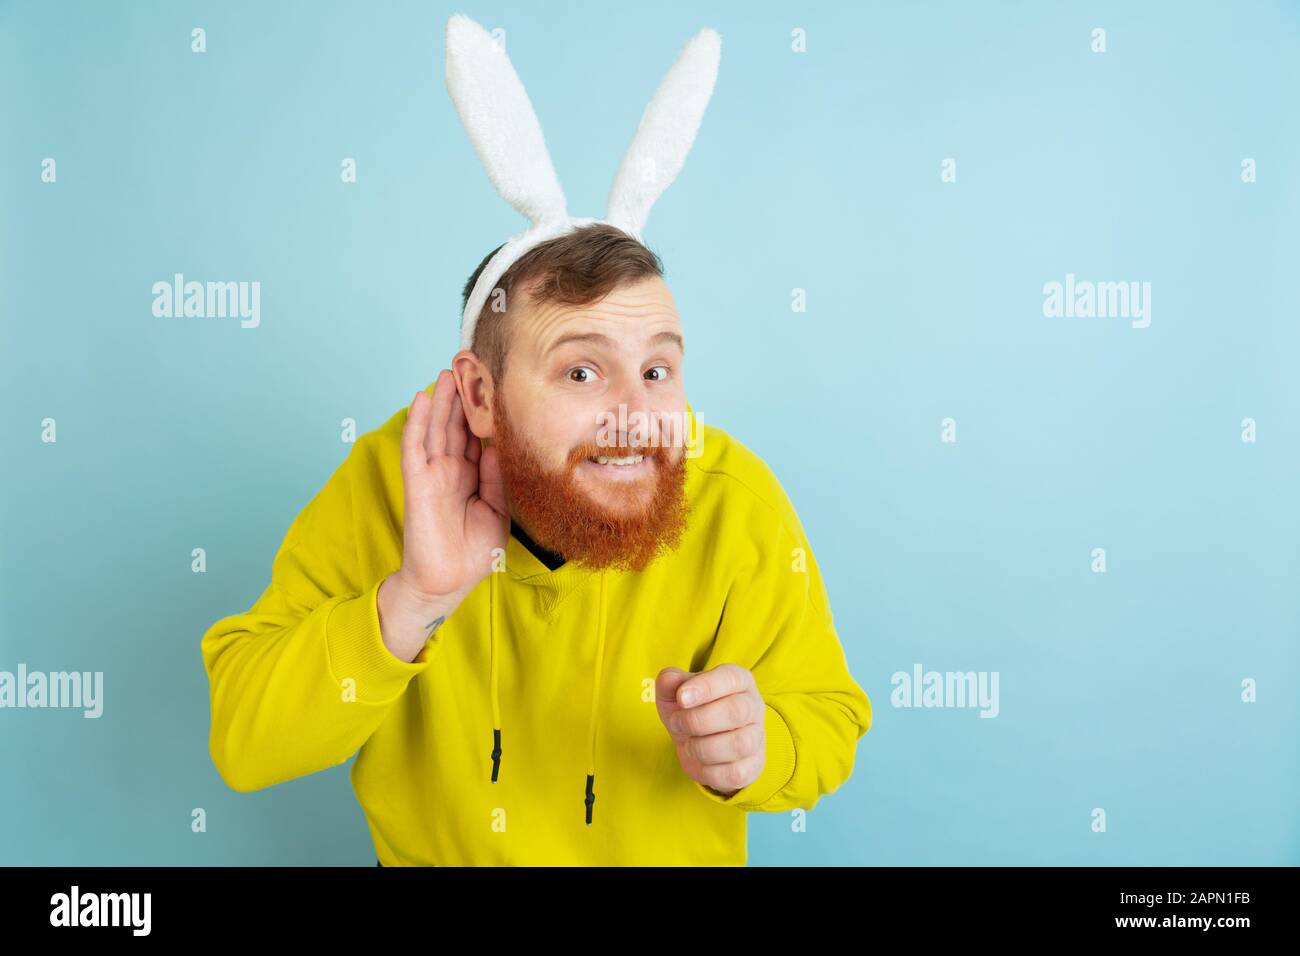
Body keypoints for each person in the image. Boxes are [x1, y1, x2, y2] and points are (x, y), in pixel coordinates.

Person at [200, 224, 873, 865]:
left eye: (657, 371)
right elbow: (247, 742)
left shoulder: (736, 503)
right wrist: (416, 599)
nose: (636, 421)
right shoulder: (394, 484)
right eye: (582, 373)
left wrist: (760, 751)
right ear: (480, 394)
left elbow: (828, 718)